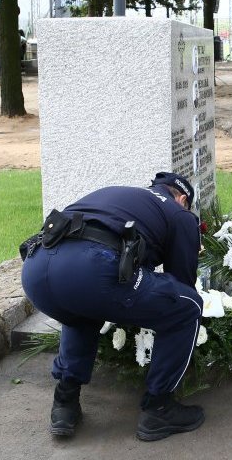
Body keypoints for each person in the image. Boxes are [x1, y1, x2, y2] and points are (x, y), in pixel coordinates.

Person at [20, 173, 205, 441]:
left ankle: (64, 404)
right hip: (93, 267)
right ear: (183, 199)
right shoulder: (179, 213)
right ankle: (159, 409)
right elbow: (182, 283)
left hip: (36, 271)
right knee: (187, 307)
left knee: (82, 313)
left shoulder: (122, 195)